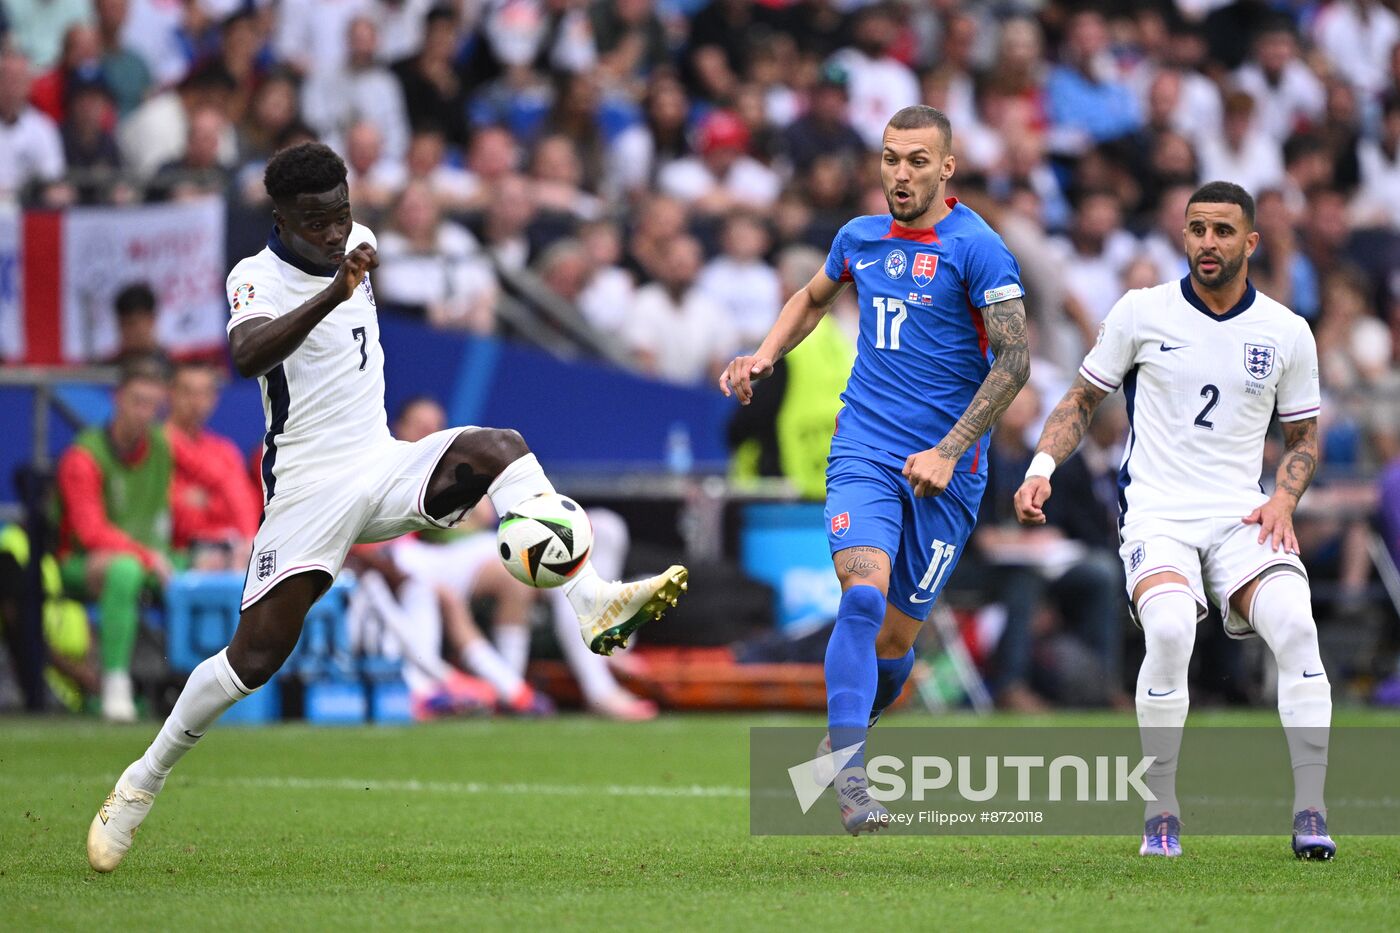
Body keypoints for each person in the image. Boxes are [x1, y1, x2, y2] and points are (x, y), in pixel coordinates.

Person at [87, 142, 687, 873]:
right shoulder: (256, 276)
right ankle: (140, 780)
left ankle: (590, 599)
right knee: (255, 657)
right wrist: (333, 294)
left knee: (501, 445)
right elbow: (246, 357)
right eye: (316, 221)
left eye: (341, 212)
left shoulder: (361, 241)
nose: (336, 231)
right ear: (280, 218)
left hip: (382, 459)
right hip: (308, 487)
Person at [720, 105, 1030, 834]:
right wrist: (766, 354)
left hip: (951, 473)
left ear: (946, 167)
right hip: (863, 450)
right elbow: (811, 297)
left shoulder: (979, 249)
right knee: (862, 598)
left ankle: (839, 744)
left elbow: (1015, 360)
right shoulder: (858, 238)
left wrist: (950, 449)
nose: (900, 173)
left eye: (917, 160)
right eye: (891, 158)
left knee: (894, 645)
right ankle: (853, 781)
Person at [1013, 181, 1334, 861]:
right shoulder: (1141, 311)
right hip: (1158, 515)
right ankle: (1161, 809)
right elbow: (1080, 398)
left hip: (1242, 515)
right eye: (1196, 229)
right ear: (1182, 236)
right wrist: (1041, 465)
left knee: (1299, 625)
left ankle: (1311, 808)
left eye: (1222, 231)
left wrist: (1283, 499)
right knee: (1165, 629)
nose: (1207, 243)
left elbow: (1304, 436)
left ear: (1250, 241)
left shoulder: (1285, 330)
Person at [55, 359, 177, 723]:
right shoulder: (84, 456)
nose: (144, 413)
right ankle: (115, 686)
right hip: (80, 564)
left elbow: (175, 508)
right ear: (117, 399)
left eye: (153, 405)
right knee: (124, 571)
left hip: (154, 559)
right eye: (137, 401)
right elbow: (91, 532)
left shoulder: (161, 447)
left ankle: (198, 690)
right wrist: (146, 556)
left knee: (213, 568)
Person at [165, 361, 261, 570]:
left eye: (204, 393)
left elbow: (244, 504)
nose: (196, 402)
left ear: (214, 399)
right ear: (170, 393)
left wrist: (208, 502)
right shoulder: (155, 444)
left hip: (228, 550)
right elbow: (176, 515)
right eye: (187, 392)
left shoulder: (224, 450)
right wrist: (218, 504)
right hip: (173, 554)